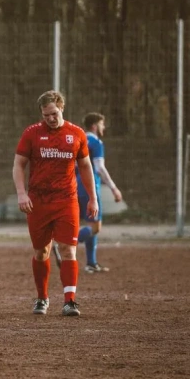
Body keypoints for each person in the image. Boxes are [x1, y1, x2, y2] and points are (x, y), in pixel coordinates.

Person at [12, 90, 98, 317]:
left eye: (54, 113)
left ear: (62, 108)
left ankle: (70, 301)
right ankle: (42, 298)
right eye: (45, 115)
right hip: (38, 202)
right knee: (41, 252)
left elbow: (86, 167)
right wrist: (22, 193)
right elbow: (18, 164)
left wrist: (92, 198)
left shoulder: (77, 134)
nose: (50, 118)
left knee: (68, 249)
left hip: (66, 200)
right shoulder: (31, 134)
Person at [72, 112, 123, 273]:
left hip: (75, 186)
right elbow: (99, 168)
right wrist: (114, 188)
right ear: (94, 126)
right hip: (90, 187)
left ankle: (91, 263)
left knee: (90, 224)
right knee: (95, 228)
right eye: (102, 124)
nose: (104, 127)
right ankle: (65, 244)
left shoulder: (77, 140)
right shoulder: (96, 142)